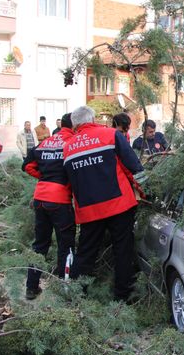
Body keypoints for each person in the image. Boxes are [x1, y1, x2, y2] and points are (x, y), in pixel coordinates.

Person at [63, 106, 143, 301]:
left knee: (86, 253)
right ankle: (123, 297)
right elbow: (133, 166)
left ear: (75, 125)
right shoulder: (110, 134)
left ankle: (76, 294)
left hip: (89, 210)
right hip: (119, 204)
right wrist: (144, 191)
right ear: (93, 119)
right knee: (122, 250)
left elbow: (69, 181)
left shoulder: (68, 147)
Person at [22, 113, 76, 300]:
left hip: (40, 197)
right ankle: (64, 287)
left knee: (40, 244)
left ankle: (31, 287)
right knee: (66, 245)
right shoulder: (73, 143)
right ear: (75, 126)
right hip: (59, 200)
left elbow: (27, 165)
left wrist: (45, 178)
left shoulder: (47, 141)